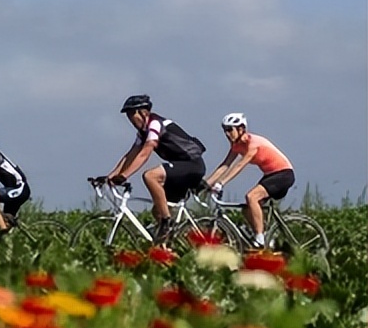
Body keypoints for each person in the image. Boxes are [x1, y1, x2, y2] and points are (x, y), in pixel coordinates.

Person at [102, 94, 207, 243]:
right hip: (179, 169)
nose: (130, 119)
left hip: (192, 165)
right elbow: (130, 155)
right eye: (128, 115)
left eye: (132, 114)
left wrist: (124, 176)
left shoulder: (155, 124)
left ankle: (166, 222)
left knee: (150, 176)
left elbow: (145, 153)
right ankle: (171, 244)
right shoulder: (143, 132)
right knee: (157, 210)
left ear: (144, 112)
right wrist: (110, 176)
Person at [204, 112, 295, 249]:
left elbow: (240, 165)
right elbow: (225, 165)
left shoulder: (253, 144)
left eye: (230, 130)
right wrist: (205, 183)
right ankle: (265, 239)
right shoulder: (237, 146)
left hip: (283, 174)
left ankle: (260, 238)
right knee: (247, 210)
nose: (227, 134)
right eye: (225, 130)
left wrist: (221, 183)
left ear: (241, 129)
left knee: (251, 196)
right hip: (271, 175)